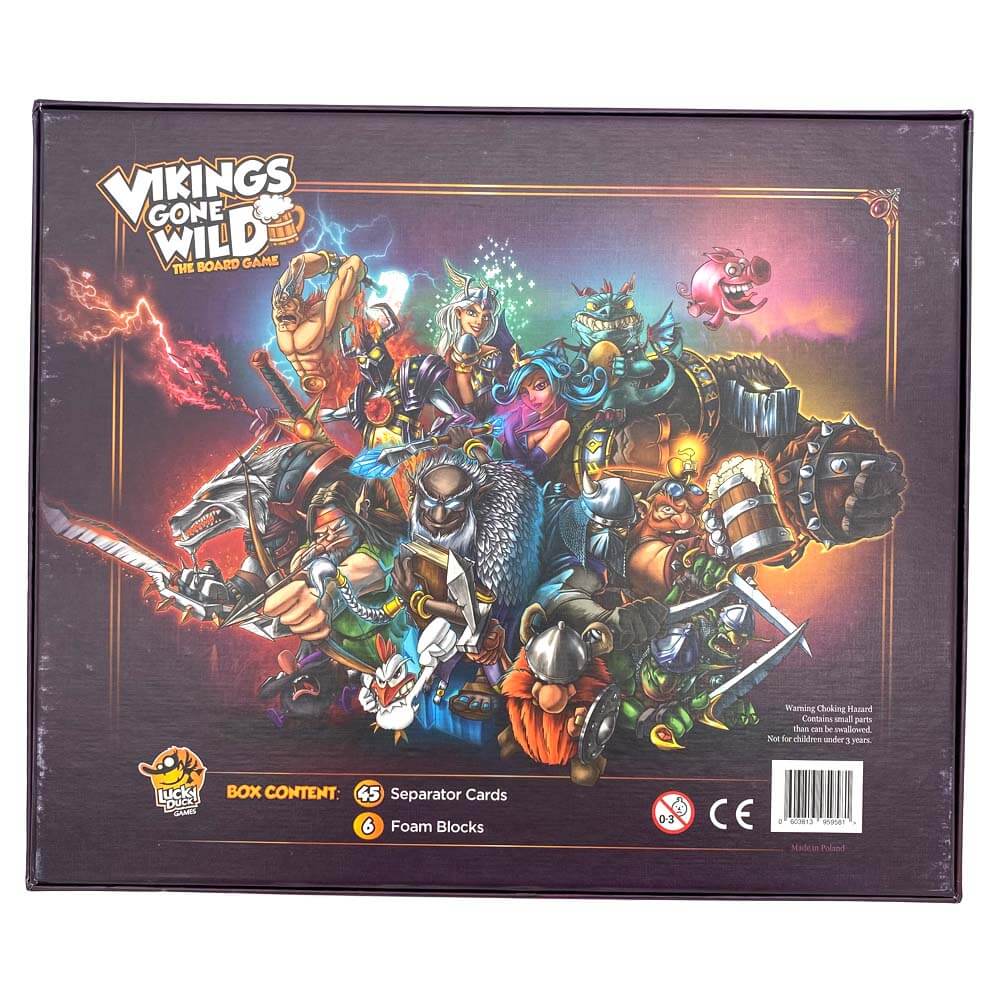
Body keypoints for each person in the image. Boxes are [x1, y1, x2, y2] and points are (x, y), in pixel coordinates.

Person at [491, 346, 608, 475]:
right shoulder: (526, 420)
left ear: (555, 381)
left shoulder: (562, 425)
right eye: (524, 392)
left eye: (540, 386)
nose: (531, 398)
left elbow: (527, 469)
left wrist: (514, 434)